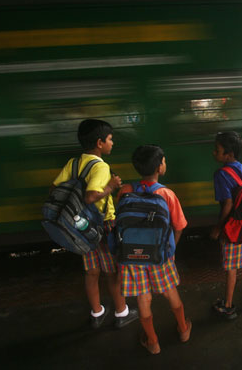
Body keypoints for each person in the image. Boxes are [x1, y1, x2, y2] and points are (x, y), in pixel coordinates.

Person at [51, 119, 138, 328]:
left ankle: (97, 313)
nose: (112, 143)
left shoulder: (73, 163)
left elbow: (55, 188)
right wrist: (111, 186)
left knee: (91, 272)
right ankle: (121, 312)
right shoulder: (100, 167)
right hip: (101, 227)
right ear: (100, 143)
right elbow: (91, 196)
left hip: (78, 226)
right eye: (110, 139)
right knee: (111, 272)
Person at [116, 144, 191, 355]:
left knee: (143, 297)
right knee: (170, 292)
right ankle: (184, 329)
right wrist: (170, 250)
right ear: (160, 167)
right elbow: (179, 227)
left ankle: (153, 341)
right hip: (160, 255)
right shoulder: (167, 194)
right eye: (164, 161)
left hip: (131, 256)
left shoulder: (125, 191)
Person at [210, 131, 242, 319]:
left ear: (229, 154)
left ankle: (228, 305)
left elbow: (228, 204)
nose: (214, 153)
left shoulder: (221, 174)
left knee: (232, 267)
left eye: (217, 150)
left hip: (232, 228)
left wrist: (218, 227)